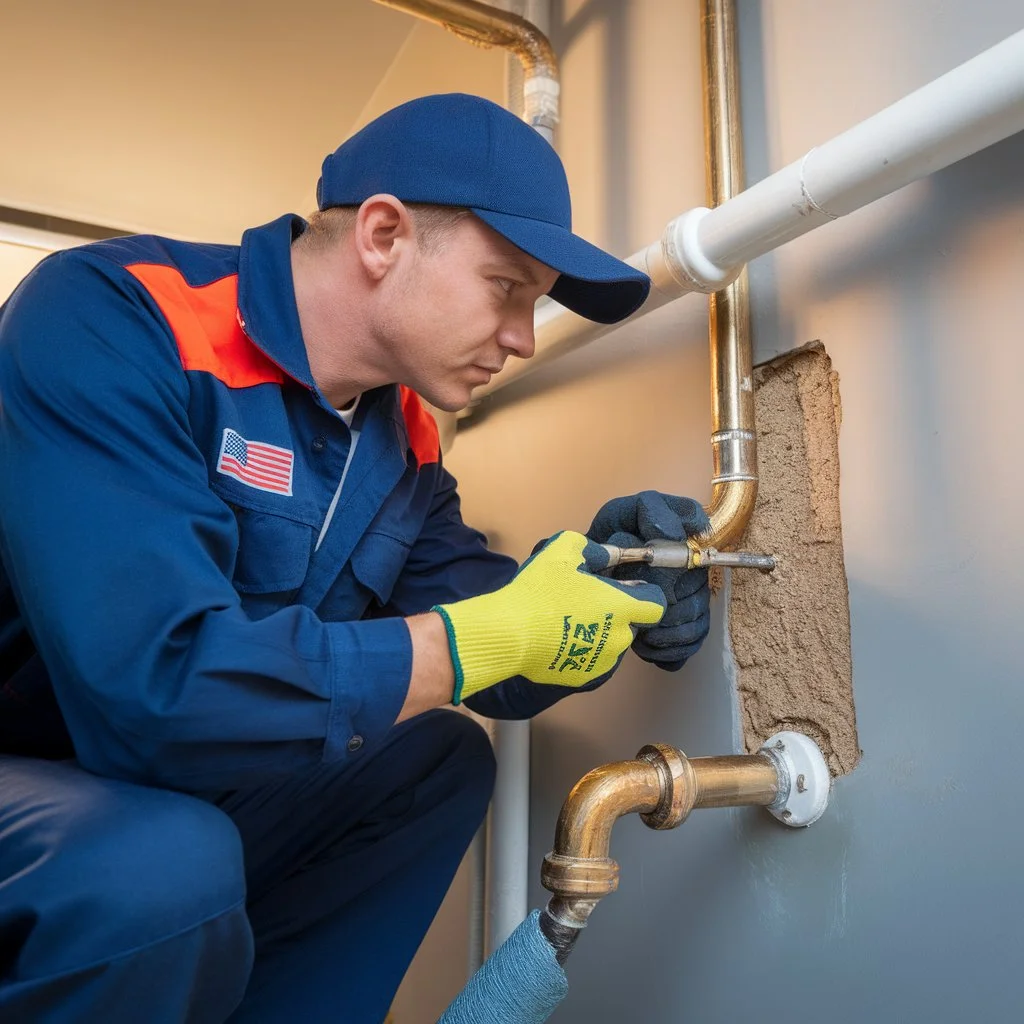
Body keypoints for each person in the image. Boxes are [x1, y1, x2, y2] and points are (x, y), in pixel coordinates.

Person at [0, 94, 711, 1022]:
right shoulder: (116, 317)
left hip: (158, 791)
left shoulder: (402, 438)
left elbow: (490, 633)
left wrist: (608, 582)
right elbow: (153, 686)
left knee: (437, 759)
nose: (522, 339)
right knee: (161, 864)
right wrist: (468, 642)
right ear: (384, 235)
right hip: (45, 772)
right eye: (508, 288)